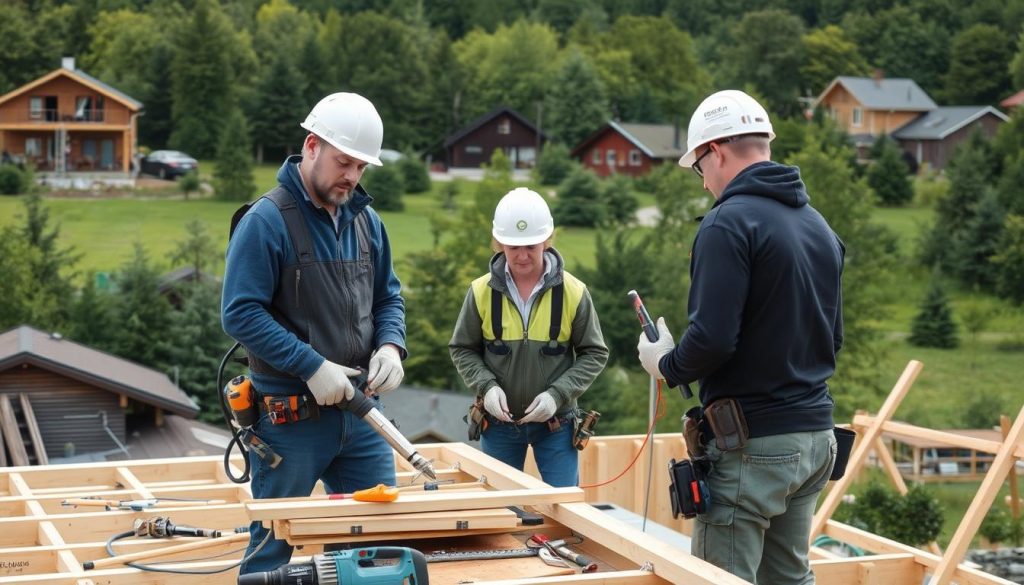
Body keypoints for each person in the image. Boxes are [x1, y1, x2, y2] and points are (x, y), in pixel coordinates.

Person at [636, 89, 845, 585]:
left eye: (698, 166)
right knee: (789, 578)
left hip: (755, 448)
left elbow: (712, 340)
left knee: (719, 580)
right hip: (816, 440)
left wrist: (665, 364)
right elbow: (831, 339)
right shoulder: (818, 227)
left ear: (718, 151)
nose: (704, 181)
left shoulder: (728, 224)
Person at [222, 92, 407, 575]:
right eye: (344, 162)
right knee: (271, 551)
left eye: (361, 167)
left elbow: (388, 297)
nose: (352, 176)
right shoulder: (266, 220)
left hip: (362, 416)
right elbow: (240, 313)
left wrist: (391, 344)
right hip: (291, 423)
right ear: (311, 147)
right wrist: (312, 366)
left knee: (375, 549)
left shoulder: (368, 222)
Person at [449, 188, 608, 487]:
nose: (522, 256)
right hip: (498, 424)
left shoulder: (574, 292)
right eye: (513, 247)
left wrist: (557, 394)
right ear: (499, 244)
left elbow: (594, 353)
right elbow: (462, 349)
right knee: (501, 508)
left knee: (563, 507)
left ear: (547, 241)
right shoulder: (481, 292)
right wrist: (487, 387)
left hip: (556, 425)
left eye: (531, 247)